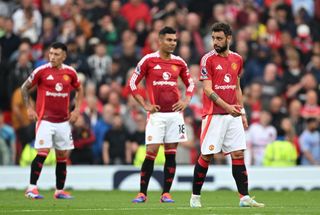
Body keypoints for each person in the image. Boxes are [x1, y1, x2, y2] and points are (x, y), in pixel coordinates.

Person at [189, 22, 264, 208]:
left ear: (229, 38)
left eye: (219, 38)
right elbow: (207, 90)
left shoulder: (237, 59)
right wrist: (227, 107)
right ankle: (195, 197)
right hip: (214, 115)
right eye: (213, 38)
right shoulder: (207, 59)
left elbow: (237, 87)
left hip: (233, 115)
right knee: (207, 155)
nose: (215, 42)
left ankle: (244, 197)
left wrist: (242, 111)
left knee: (238, 153)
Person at [128, 26, 195, 203]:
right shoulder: (148, 60)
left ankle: (166, 193)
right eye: (169, 40)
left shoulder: (179, 62)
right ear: (159, 40)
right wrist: (145, 104)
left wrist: (186, 101)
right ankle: (142, 193)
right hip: (156, 115)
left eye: (174, 40)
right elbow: (133, 83)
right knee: (151, 152)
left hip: (174, 115)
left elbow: (191, 85)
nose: (173, 43)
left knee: (170, 154)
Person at [21, 42, 83, 199]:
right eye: (50, 53)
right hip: (45, 120)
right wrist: (29, 108)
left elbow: (79, 89)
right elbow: (24, 88)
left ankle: (59, 191)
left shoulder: (71, 72)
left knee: (62, 156)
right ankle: (31, 188)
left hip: (63, 121)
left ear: (64, 56)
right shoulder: (41, 71)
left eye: (56, 54)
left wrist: (76, 110)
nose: (52, 57)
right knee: (43, 152)